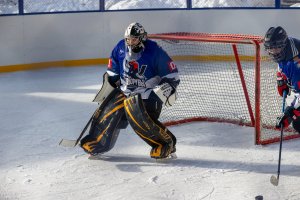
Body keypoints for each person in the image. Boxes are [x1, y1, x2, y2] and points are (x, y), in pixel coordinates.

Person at [80, 22, 180, 159]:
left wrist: (156, 95)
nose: (130, 42)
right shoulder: (120, 47)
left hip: (146, 95)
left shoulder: (155, 51)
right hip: (125, 92)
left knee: (140, 121)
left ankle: (166, 144)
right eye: (128, 39)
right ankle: (98, 142)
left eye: (134, 39)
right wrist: (113, 80)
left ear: (142, 38)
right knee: (107, 113)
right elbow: (112, 69)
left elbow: (172, 76)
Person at [263, 26, 300, 132]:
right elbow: (282, 65)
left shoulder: (296, 64)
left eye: (276, 48)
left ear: (283, 45)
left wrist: (290, 113)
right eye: (270, 48)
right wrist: (281, 78)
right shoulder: (288, 49)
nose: (273, 51)